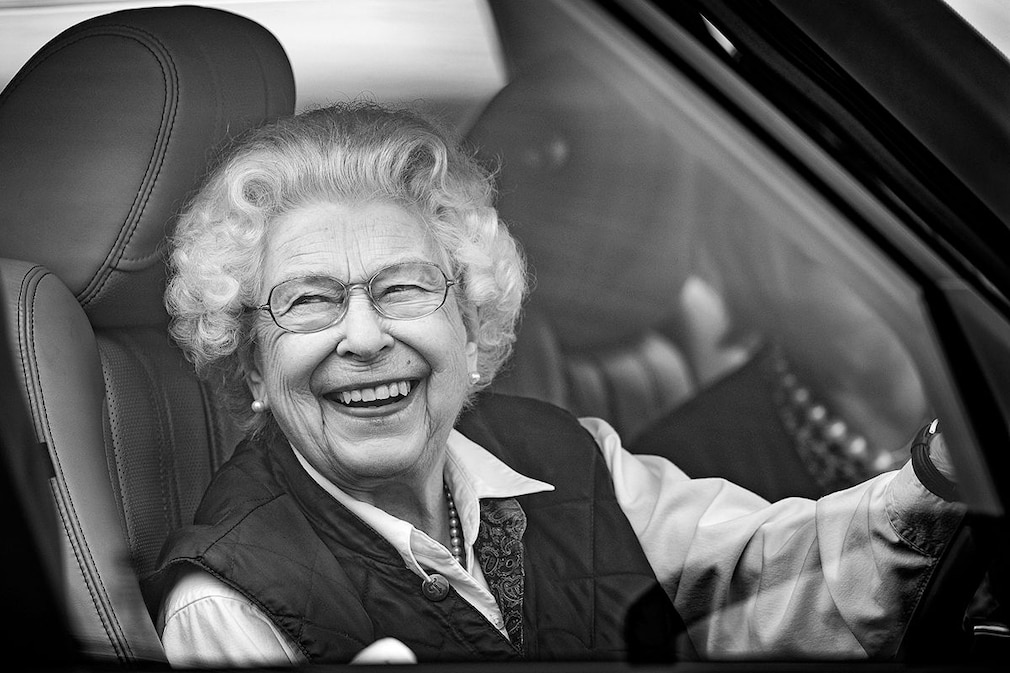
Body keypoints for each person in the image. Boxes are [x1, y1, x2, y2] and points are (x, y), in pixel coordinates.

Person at [145, 101, 965, 666]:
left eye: (403, 288)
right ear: (253, 361)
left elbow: (786, 575)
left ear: (469, 324)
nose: (364, 337)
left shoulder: (571, 456)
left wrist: (949, 468)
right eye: (309, 301)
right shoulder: (225, 607)